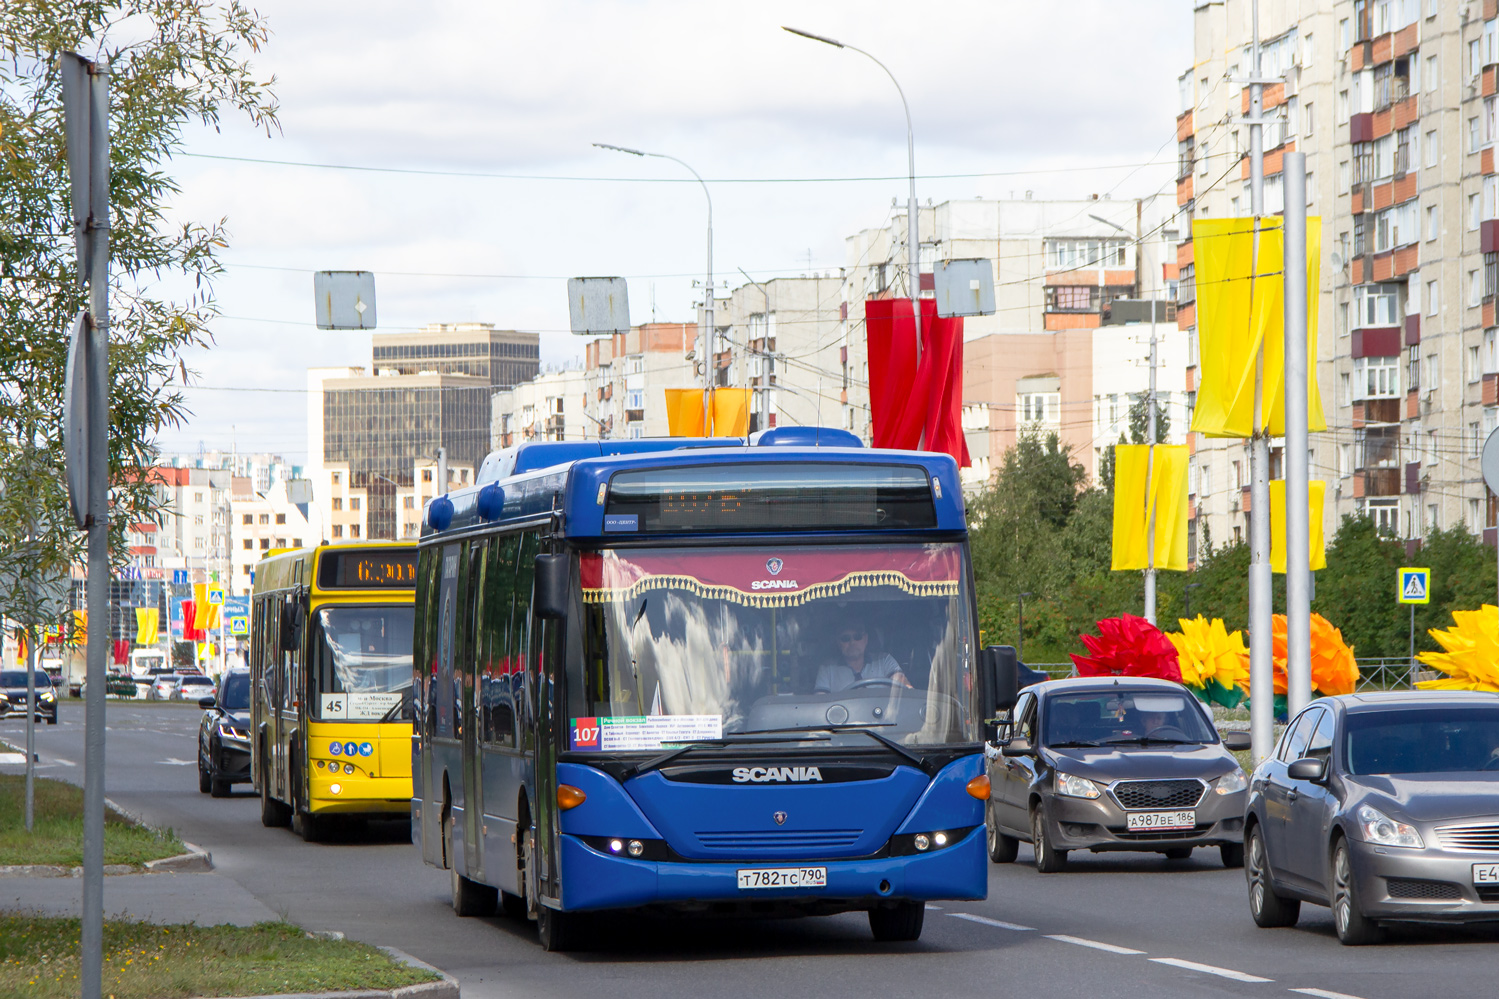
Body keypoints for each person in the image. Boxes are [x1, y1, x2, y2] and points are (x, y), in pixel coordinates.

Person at [814, 619, 910, 693]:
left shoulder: (884, 660)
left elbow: (905, 688)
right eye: (845, 638)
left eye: (857, 637)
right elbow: (819, 703)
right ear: (839, 643)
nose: (852, 642)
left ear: (866, 639)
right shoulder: (827, 669)